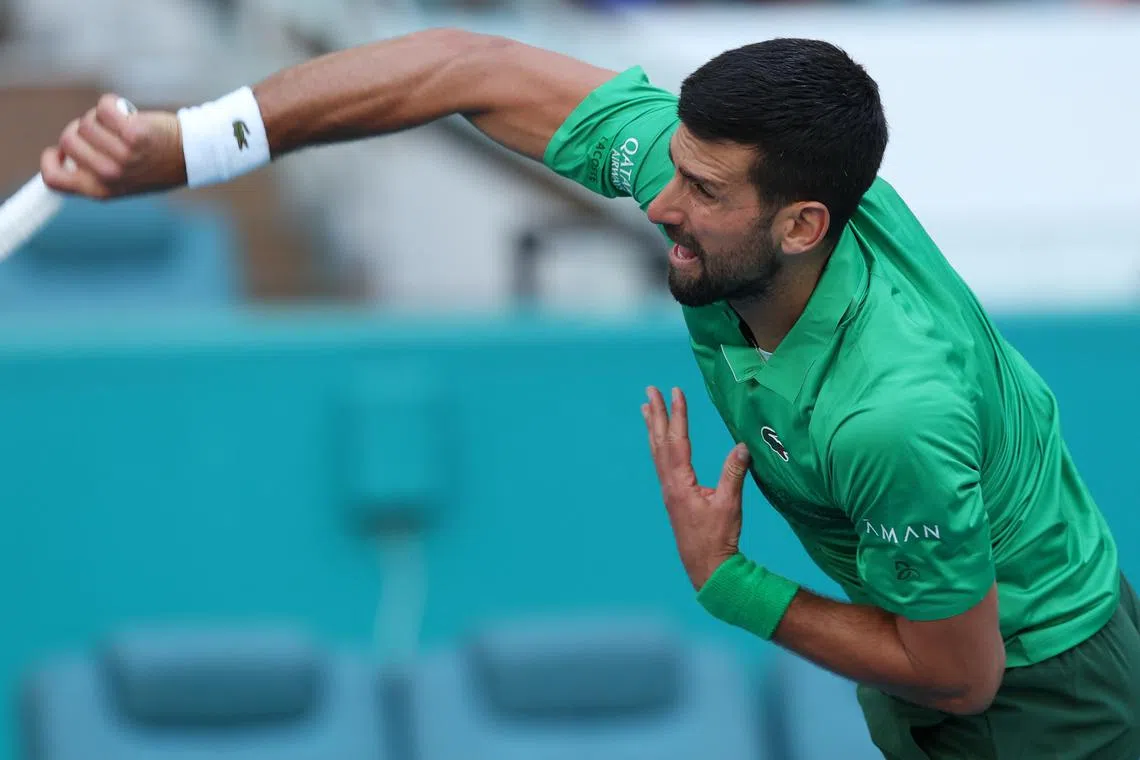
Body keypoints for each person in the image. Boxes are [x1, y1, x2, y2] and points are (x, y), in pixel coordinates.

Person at [41, 28, 1140, 759]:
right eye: (672, 164)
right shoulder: (738, 197)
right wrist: (187, 145)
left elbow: (960, 672)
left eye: (702, 191)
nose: (660, 202)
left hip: (1043, 706)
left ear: (803, 225)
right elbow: (459, 70)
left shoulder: (889, 412)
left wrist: (731, 582)